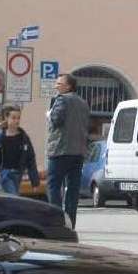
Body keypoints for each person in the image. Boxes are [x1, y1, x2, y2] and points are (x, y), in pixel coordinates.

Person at [46, 73, 90, 229]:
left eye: (59, 83)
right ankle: (70, 223)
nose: (56, 86)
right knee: (72, 190)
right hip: (78, 152)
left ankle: (56, 221)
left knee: (53, 186)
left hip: (60, 150)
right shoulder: (83, 103)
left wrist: (49, 115)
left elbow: (56, 120)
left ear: (69, 86)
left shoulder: (62, 100)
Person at [0, 105, 40, 195]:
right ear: (6, 118)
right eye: (13, 118)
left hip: (17, 173)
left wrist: (34, 182)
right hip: (3, 174)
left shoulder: (23, 138)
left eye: (18, 118)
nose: (16, 121)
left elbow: (30, 159)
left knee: (9, 199)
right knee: (13, 197)